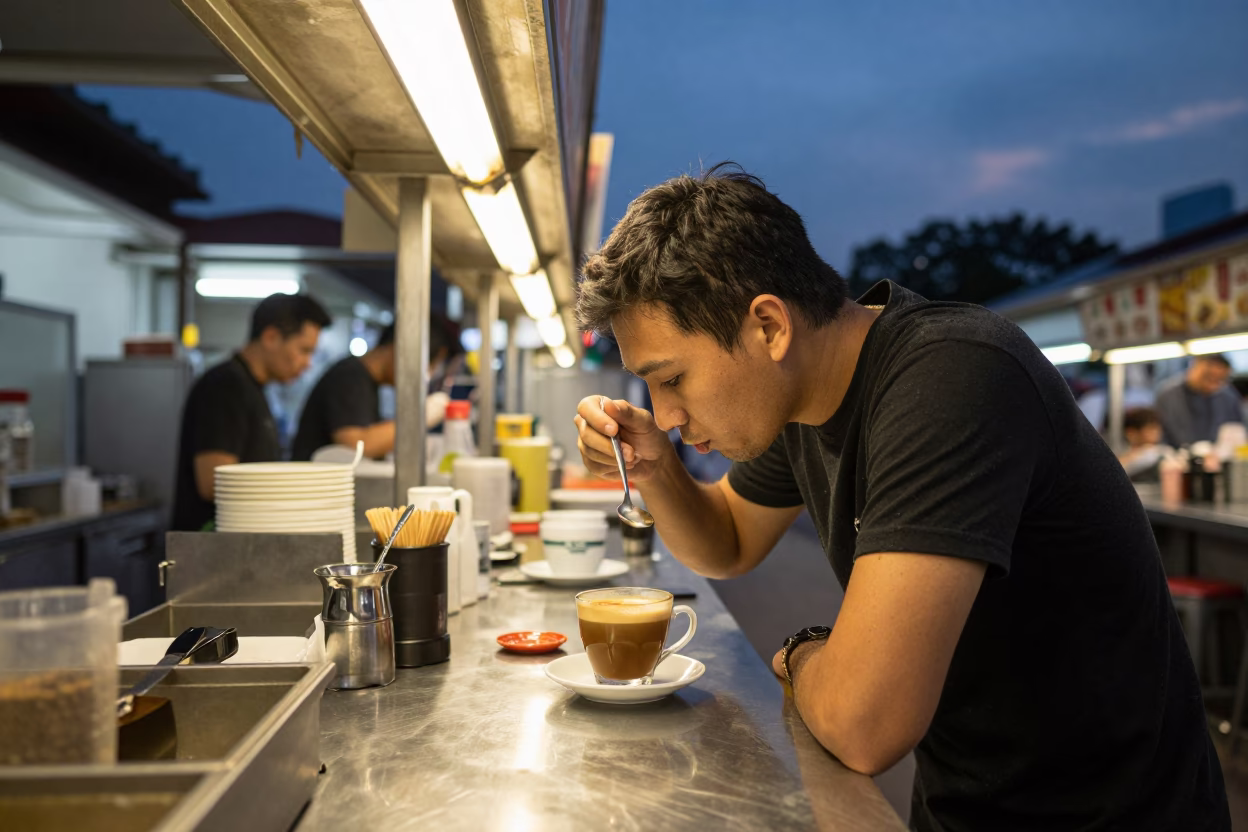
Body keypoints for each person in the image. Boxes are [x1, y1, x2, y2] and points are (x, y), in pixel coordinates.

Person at [572, 164, 1229, 830]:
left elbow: (866, 723)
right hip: (965, 804)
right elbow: (728, 541)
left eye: (673, 378)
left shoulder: (952, 377)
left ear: (768, 327)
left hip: (1113, 814)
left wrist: (800, 653)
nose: (668, 415)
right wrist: (656, 468)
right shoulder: (796, 401)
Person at [172, 293, 331, 531]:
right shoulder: (225, 386)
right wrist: (294, 494)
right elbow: (212, 482)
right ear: (271, 337)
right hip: (211, 548)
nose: (307, 363)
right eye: (304, 350)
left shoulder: (254, 388)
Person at [292, 324, 397, 461]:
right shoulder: (350, 376)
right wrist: (421, 416)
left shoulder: (367, 381)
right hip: (313, 479)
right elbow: (354, 446)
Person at [1155, 353, 1243, 447]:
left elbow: (1239, 431)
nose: (1212, 385)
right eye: (1208, 377)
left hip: (1219, 457)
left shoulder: (1228, 397)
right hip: (1178, 457)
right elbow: (1160, 435)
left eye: (1220, 380)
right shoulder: (1168, 396)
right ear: (1194, 368)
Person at [1118, 407, 1169, 481]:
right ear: (1131, 433)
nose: (1157, 432)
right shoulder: (1122, 454)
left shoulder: (1162, 453)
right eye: (1151, 428)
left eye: (1157, 428)